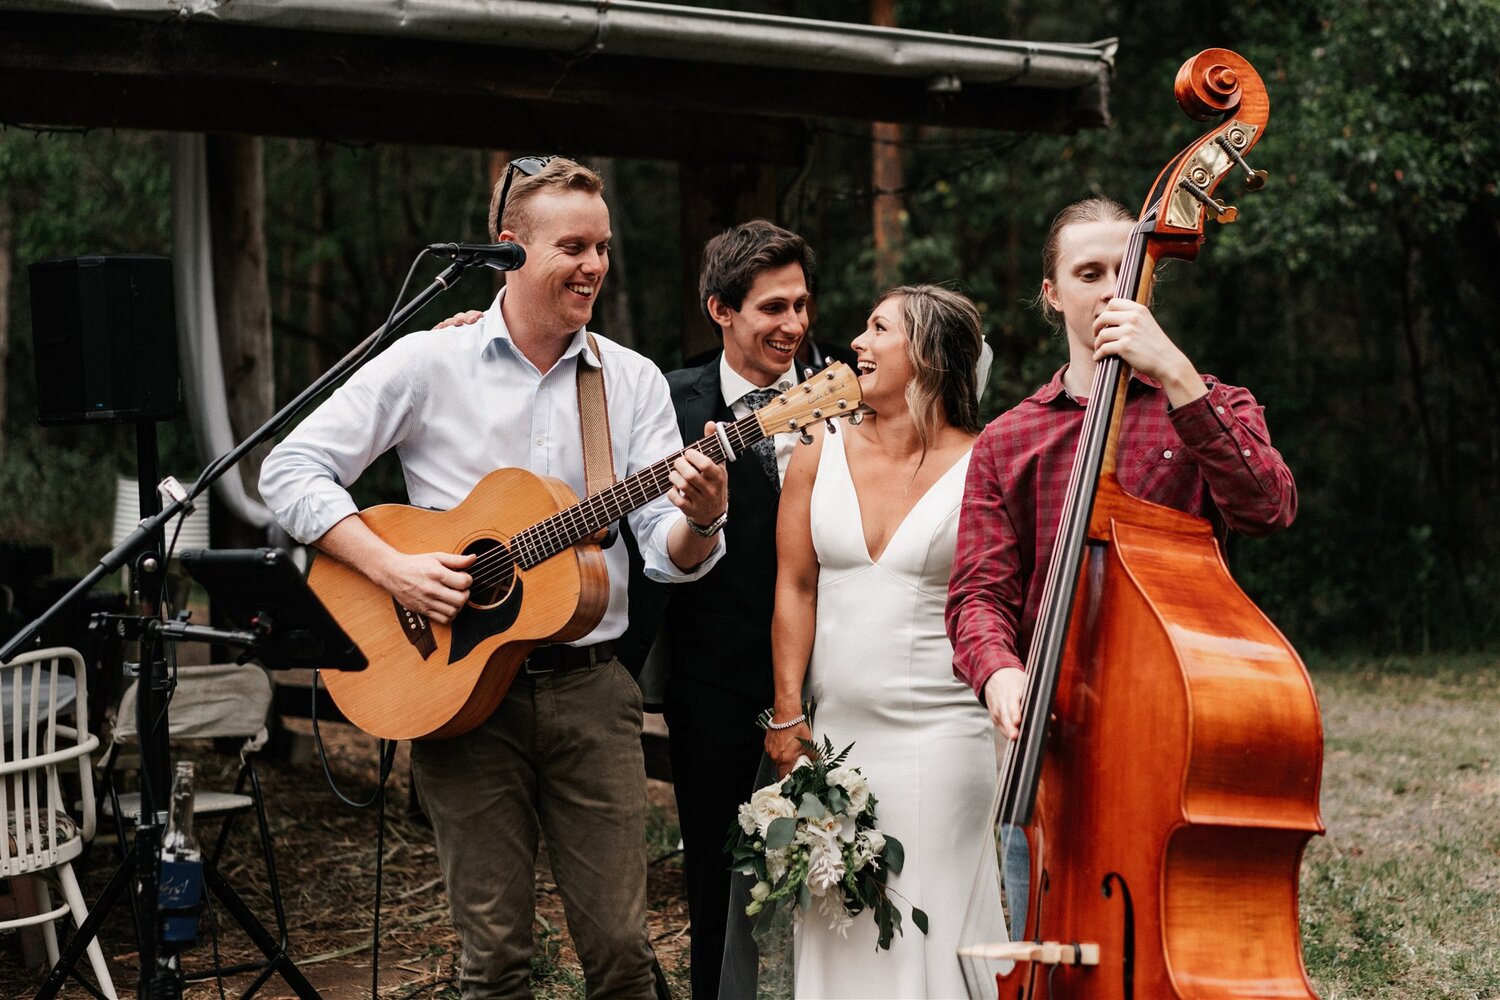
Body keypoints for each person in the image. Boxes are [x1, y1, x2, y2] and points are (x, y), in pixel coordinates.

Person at [259, 157, 729, 999]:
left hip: (592, 692)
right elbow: (289, 468)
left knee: (624, 952)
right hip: (456, 691)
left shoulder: (628, 380)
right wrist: (394, 569)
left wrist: (700, 518)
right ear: (509, 249)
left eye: (604, 247)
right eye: (573, 246)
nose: (594, 265)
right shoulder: (427, 364)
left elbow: (663, 550)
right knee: (495, 962)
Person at [943, 196, 1297, 939]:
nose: (1110, 288)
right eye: (1088, 272)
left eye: (1125, 270)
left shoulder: (1210, 402)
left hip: (1175, 728)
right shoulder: (1009, 440)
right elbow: (979, 592)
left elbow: (1267, 506)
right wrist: (1000, 672)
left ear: (1150, 282)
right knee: (1044, 941)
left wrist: (1174, 372)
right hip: (1051, 733)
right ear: (1053, 293)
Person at [762, 284, 1006, 998]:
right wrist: (786, 711)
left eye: (878, 329)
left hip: (945, 735)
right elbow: (794, 585)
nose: (857, 345)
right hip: (836, 737)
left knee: (928, 921)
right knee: (840, 926)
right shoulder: (818, 444)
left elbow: (998, 597)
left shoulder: (987, 461)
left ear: (928, 354)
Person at [619, 219, 818, 1000]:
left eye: (801, 304)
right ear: (721, 310)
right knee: (713, 874)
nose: (794, 325)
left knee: (842, 865)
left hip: (830, 671)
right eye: (773, 307)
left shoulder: (845, 391)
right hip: (712, 679)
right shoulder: (666, 400)